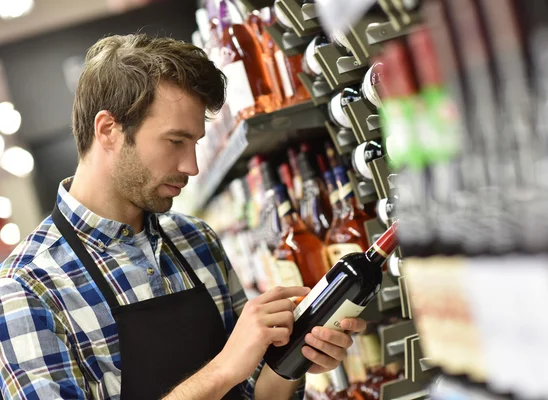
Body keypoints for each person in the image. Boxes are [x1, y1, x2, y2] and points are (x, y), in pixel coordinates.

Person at [0, 34, 366, 399]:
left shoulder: (197, 240)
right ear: (108, 130)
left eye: (195, 143)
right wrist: (223, 369)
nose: (190, 166)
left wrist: (293, 360)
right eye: (176, 141)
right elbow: (230, 372)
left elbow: (257, 393)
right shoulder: (26, 288)